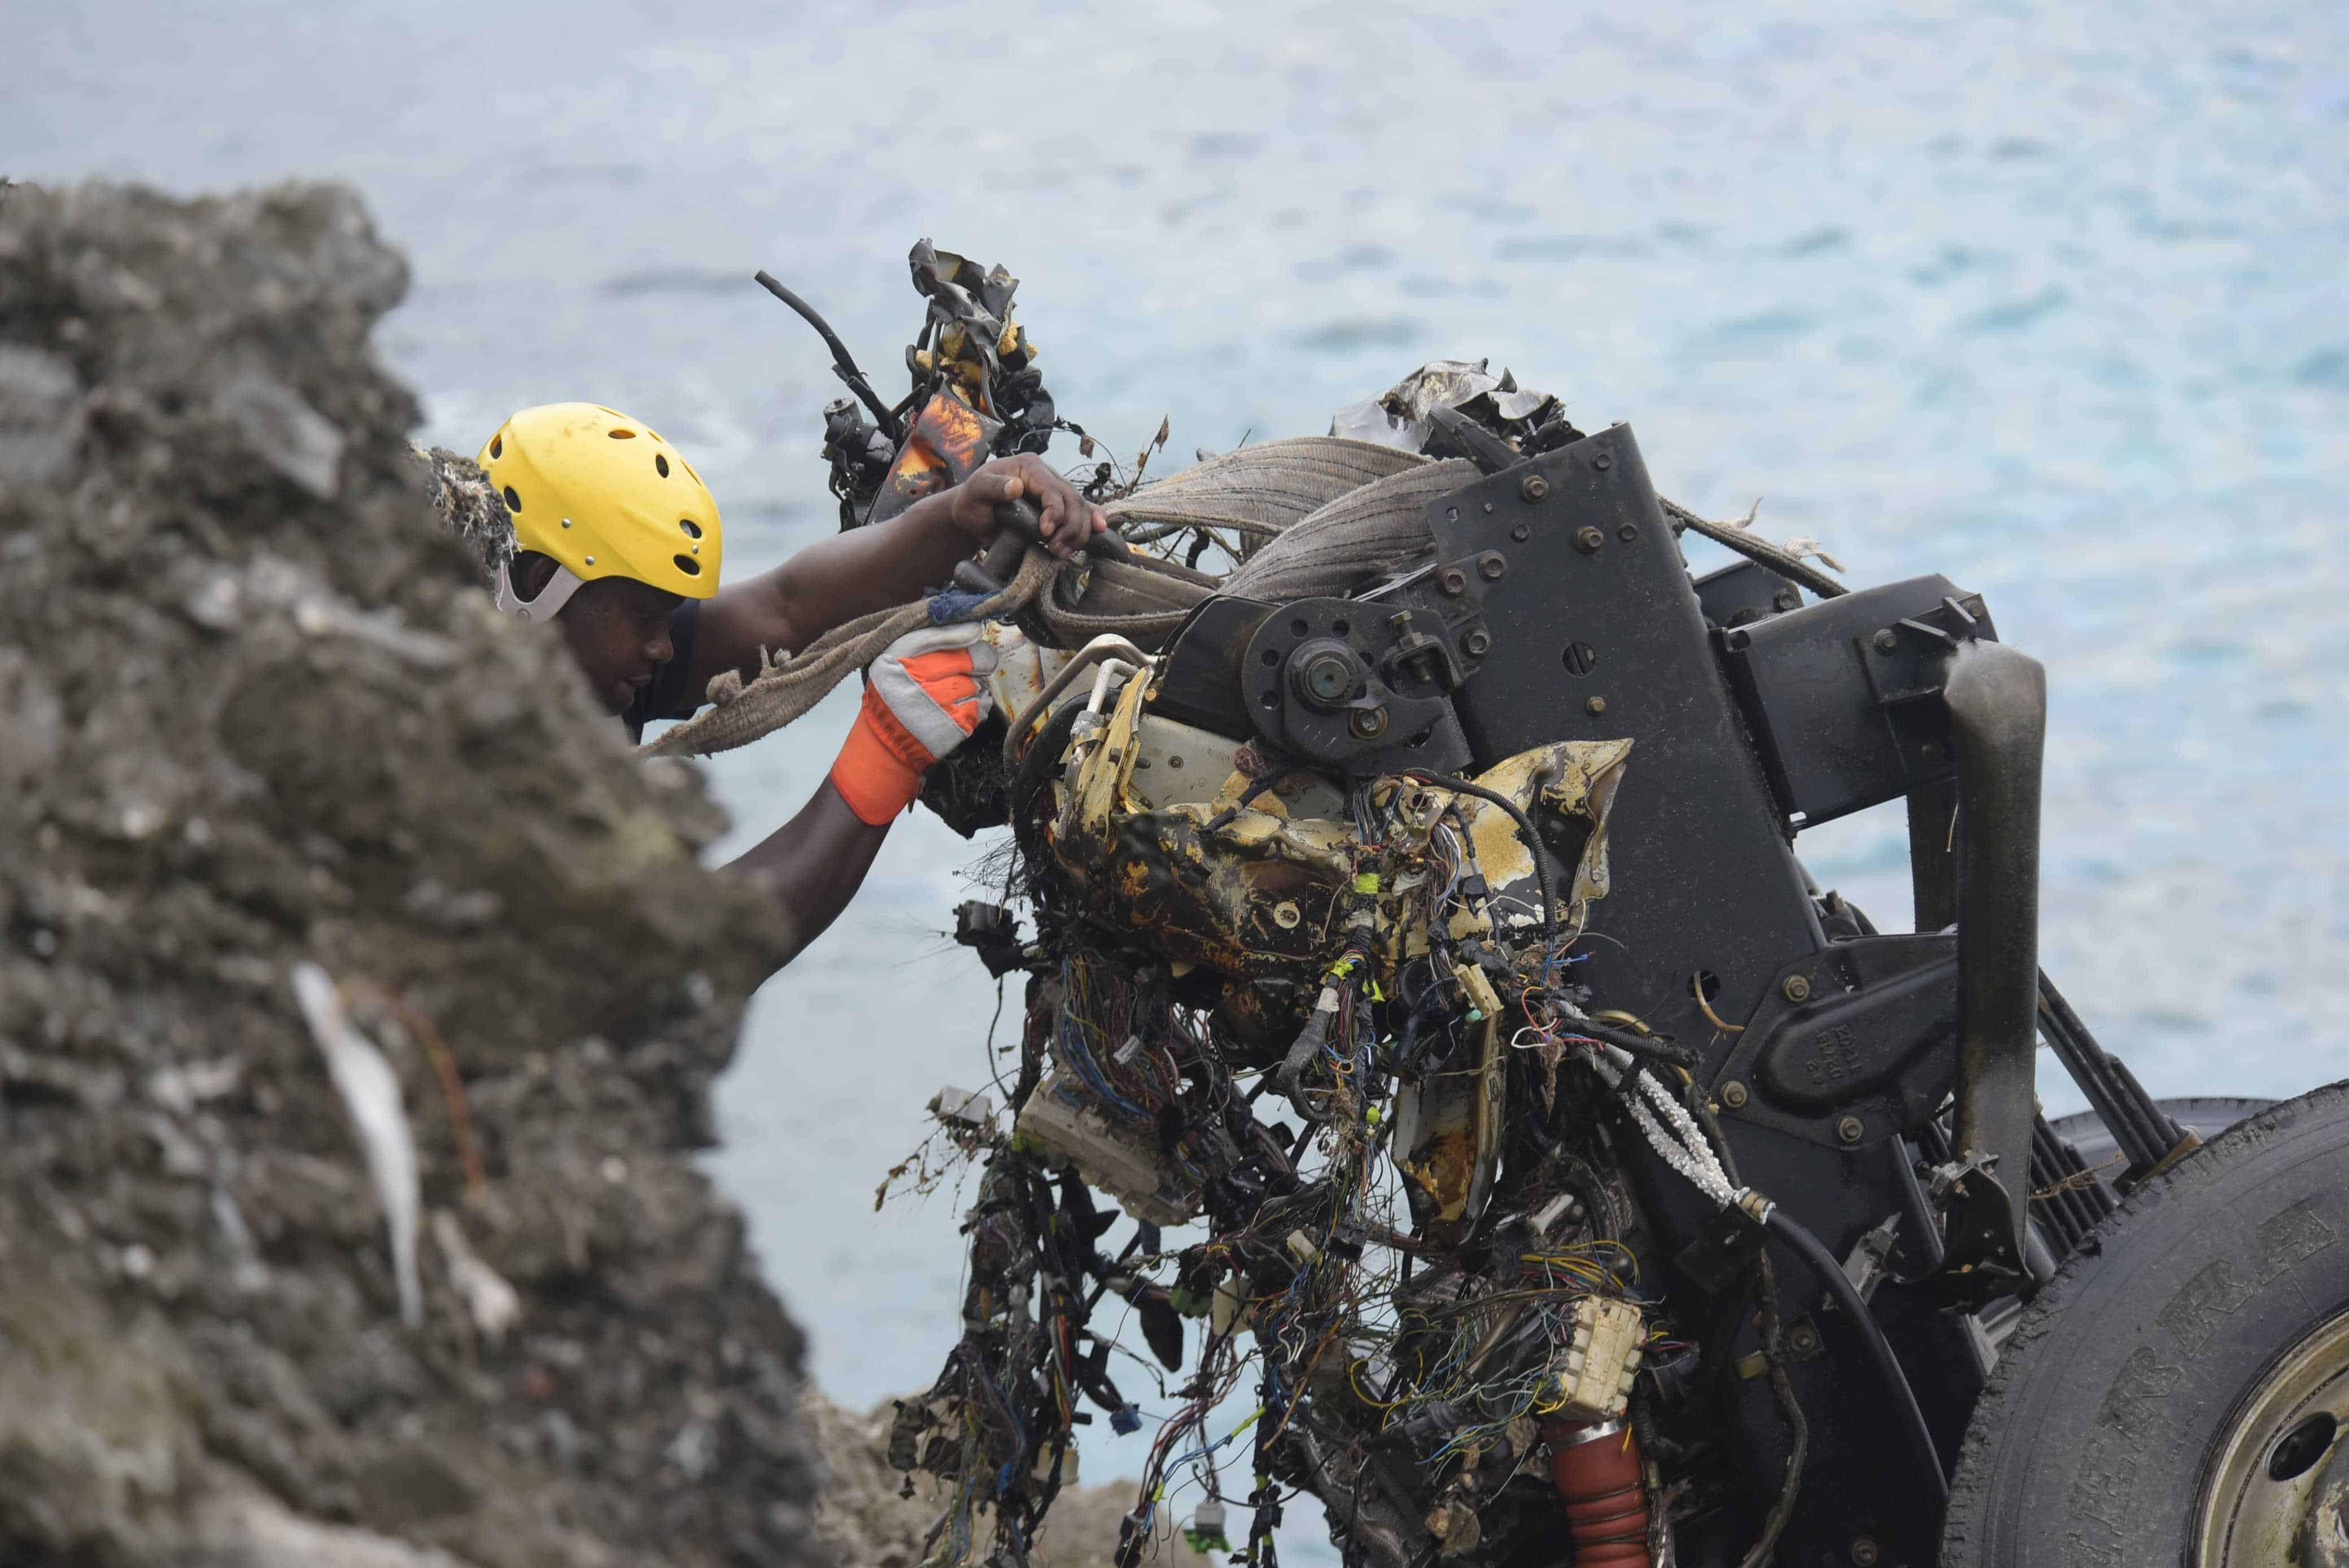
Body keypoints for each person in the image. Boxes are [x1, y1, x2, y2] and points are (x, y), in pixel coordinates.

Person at [474, 401, 1103, 967]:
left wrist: (954, 519)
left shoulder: (563, 653)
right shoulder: (454, 768)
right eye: (642, 616)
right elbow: (668, 967)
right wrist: (887, 754)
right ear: (535, 581)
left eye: (667, 616)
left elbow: (784, 609)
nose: (663, 647)